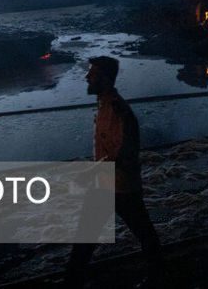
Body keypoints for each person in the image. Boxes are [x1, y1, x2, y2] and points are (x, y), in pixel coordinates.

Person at [66, 56, 165, 287]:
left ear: (105, 79)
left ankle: (158, 276)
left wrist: (91, 172)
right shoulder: (105, 105)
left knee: (91, 238)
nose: (87, 77)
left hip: (117, 185)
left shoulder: (116, 110)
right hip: (112, 183)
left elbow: (124, 153)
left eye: (92, 73)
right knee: (137, 232)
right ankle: (157, 275)